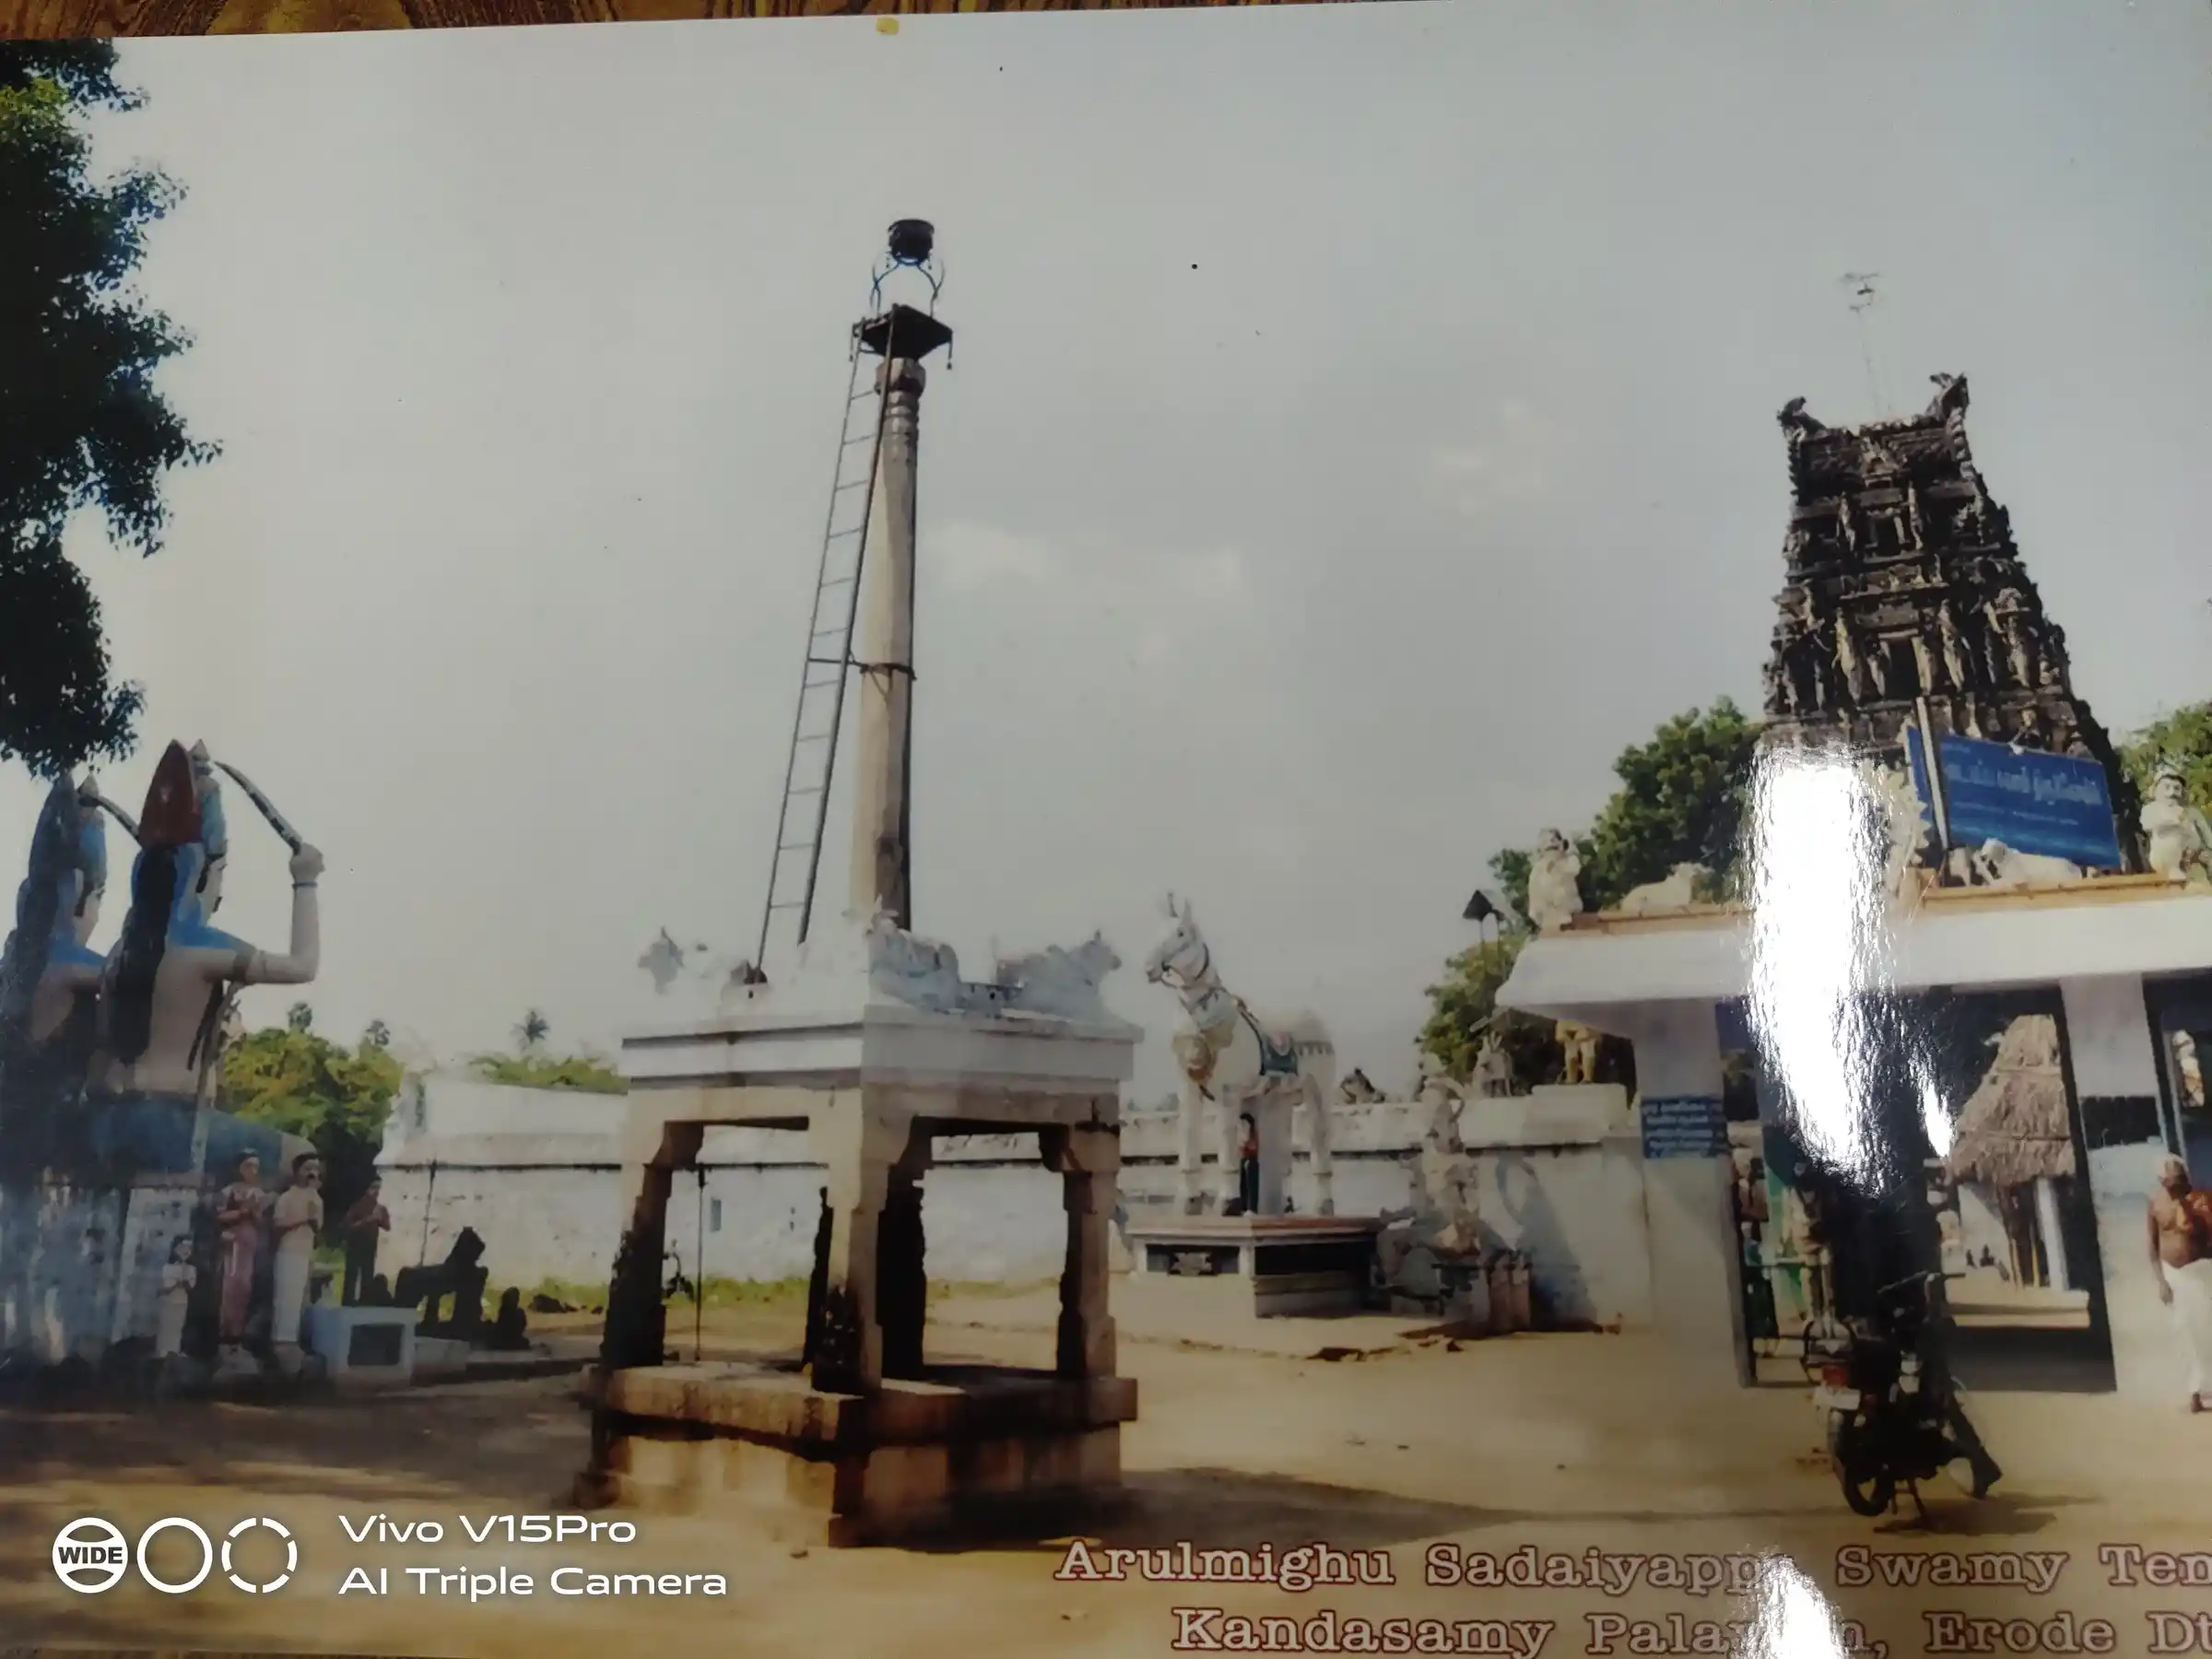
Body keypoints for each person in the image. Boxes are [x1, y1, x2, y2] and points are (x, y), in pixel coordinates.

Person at [2148, 1154, 2212, 1412]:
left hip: (2201, 1271)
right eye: (2173, 1182)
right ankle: (2194, 1392)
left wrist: (2191, 1209)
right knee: (2184, 1332)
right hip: (2173, 1273)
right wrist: (2161, 1282)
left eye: (2182, 1180)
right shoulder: (2155, 1204)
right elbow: (2152, 1246)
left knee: (2207, 1331)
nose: (2179, 1186)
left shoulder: (2201, 1200)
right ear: (2162, 1181)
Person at [214, 1153, 269, 1347]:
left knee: (245, 1285)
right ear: (239, 1168)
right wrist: (241, 1212)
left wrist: (254, 1213)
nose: (252, 1171)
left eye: (256, 1167)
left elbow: (263, 1222)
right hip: (232, 1240)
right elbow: (220, 1217)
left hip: (250, 1242)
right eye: (248, 1166)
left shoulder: (260, 1194)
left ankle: (238, 1332)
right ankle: (224, 1332)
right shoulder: (229, 1191)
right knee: (229, 1284)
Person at [269, 1153, 324, 1347]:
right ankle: (281, 1340)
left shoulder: (316, 1199)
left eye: (315, 1169)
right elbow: (278, 1224)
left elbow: (318, 1228)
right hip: (288, 1251)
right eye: (307, 1168)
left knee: (301, 1297)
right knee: (286, 1297)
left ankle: (294, 1340)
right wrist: (303, 1219)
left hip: (306, 1251)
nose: (312, 1173)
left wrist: (313, 1215)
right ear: (297, 1171)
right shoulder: (287, 1197)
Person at [342, 1178, 391, 1306]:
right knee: (351, 1276)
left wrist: (380, 1218)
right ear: (367, 1189)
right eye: (374, 1187)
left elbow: (387, 1226)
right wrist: (367, 1220)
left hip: (370, 1246)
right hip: (355, 1245)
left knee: (367, 1276)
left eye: (379, 1188)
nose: (377, 1191)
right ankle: (347, 1302)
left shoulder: (380, 1208)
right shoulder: (357, 1206)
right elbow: (348, 1226)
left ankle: (365, 1302)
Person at [1236, 1112, 1260, 1216]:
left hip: (1251, 1157)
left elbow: (1251, 1144)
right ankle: (1244, 1206)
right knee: (1244, 1183)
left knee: (1251, 1181)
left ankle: (1251, 1207)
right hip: (1245, 1157)